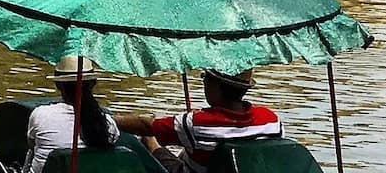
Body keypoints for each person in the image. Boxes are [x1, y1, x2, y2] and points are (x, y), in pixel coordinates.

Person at [117, 70, 282, 173]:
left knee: (148, 139)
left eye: (205, 79)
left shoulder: (196, 123)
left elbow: (147, 126)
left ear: (215, 86)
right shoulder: (271, 120)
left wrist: (109, 120)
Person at [8, 56, 122, 173]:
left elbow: (32, 145)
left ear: (58, 85)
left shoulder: (41, 115)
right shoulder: (108, 124)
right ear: (93, 83)